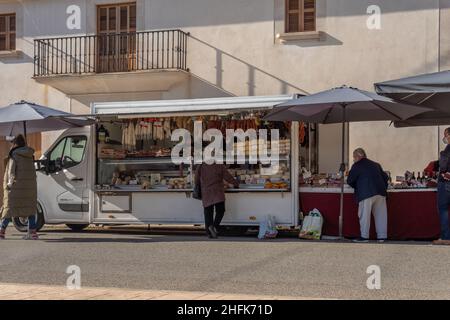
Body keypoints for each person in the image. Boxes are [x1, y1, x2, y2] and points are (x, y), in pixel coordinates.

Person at [0, 135, 39, 240]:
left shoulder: (14, 155)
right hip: (30, 187)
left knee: (9, 208)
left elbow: (11, 172)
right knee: (30, 209)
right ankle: (32, 233)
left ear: (15, 144)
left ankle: (1, 231)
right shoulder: (30, 155)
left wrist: (9, 185)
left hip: (16, 187)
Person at [347, 148, 389, 243]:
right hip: (380, 192)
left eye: (354, 157)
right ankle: (382, 237)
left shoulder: (356, 165)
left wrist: (357, 186)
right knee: (381, 215)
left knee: (364, 216)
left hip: (366, 193)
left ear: (358, 156)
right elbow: (385, 177)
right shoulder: (376, 164)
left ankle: (364, 237)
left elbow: (350, 181)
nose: (353, 159)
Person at [195, 163, 239, 239]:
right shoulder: (219, 166)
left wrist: (199, 187)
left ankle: (209, 233)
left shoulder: (201, 166)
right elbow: (227, 176)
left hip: (206, 192)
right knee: (220, 210)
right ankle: (214, 226)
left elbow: (196, 179)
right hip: (217, 191)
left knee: (208, 212)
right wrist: (236, 184)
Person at [434, 127, 450, 245]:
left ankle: (446, 237)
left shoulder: (447, 150)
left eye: (445, 135)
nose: (444, 138)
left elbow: (443, 166)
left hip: (446, 183)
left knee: (443, 209)